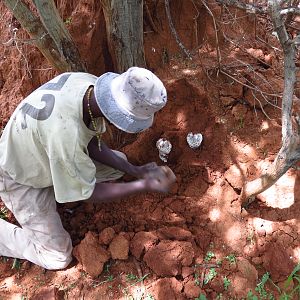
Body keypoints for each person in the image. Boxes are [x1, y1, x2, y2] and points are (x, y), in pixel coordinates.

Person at [0, 67, 176, 270]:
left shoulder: (88, 86)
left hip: (44, 153)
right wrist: (143, 184)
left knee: (118, 164)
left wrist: (134, 170)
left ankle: (63, 183)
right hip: (17, 175)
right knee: (57, 257)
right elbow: (89, 193)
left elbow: (89, 140)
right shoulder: (66, 136)